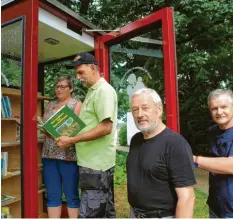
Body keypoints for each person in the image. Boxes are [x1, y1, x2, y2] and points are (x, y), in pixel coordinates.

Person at [55, 52, 118, 218]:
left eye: (81, 72)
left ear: (93, 68)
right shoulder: (92, 91)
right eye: (76, 73)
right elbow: (89, 125)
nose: (78, 77)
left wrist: (72, 140)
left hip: (97, 167)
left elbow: (106, 127)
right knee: (104, 213)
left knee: (90, 214)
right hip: (92, 166)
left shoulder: (103, 91)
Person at [127, 88, 196, 218]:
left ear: (159, 110)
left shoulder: (175, 143)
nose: (139, 114)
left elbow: (187, 197)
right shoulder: (136, 140)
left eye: (145, 108)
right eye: (135, 110)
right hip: (135, 214)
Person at [42, 76, 82, 218]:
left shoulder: (76, 104)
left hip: (68, 156)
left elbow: (75, 129)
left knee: (71, 194)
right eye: (57, 86)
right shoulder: (50, 104)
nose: (59, 89)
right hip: (49, 155)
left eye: (63, 86)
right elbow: (44, 124)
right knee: (52, 194)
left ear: (71, 89)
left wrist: (59, 132)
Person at [193, 89, 233, 218]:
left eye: (223, 107)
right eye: (214, 108)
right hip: (216, 207)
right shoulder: (212, 131)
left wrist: (193, 159)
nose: (219, 112)